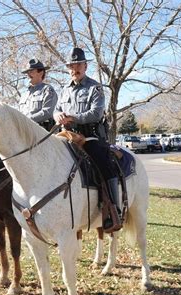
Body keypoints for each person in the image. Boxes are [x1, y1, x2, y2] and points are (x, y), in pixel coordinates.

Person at [53, 47, 121, 231]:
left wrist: (72, 117)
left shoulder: (95, 87)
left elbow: (96, 113)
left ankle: (114, 210)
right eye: (71, 65)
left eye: (78, 65)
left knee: (103, 162)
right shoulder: (64, 90)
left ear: (85, 66)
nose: (74, 68)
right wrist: (57, 115)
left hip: (91, 137)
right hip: (67, 136)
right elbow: (56, 109)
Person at [19, 58, 57, 130]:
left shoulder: (47, 90)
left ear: (41, 73)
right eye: (27, 72)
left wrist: (27, 119)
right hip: (23, 131)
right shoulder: (24, 94)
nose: (28, 74)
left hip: (42, 132)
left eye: (31, 71)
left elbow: (47, 112)